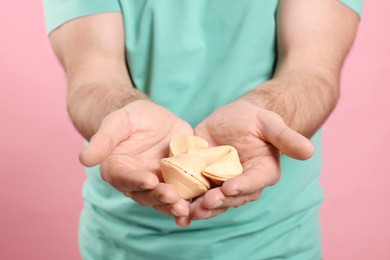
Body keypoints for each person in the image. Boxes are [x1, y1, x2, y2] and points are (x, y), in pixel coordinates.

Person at [44, 0, 362, 259]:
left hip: (276, 240)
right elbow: (93, 76)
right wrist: (121, 113)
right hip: (121, 242)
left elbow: (313, 69)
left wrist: (267, 110)